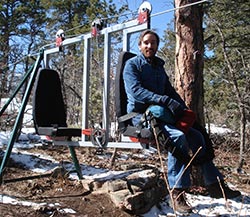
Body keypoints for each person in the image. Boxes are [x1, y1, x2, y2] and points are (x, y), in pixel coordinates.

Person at [123, 29, 241, 215]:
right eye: (146, 42)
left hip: (161, 114)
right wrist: (163, 100)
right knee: (177, 137)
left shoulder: (158, 67)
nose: (150, 45)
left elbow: (169, 91)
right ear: (140, 45)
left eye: (153, 42)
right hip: (140, 116)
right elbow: (136, 91)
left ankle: (214, 185)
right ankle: (177, 192)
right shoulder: (132, 65)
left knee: (197, 137)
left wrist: (182, 108)